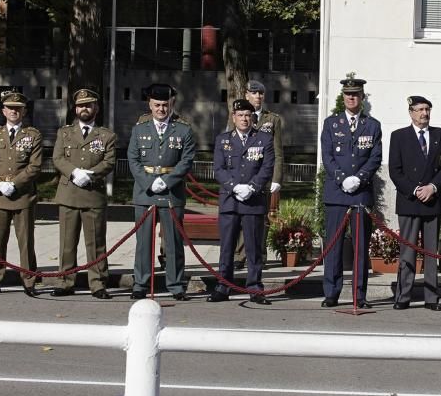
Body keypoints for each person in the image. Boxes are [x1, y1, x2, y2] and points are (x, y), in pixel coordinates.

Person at [127, 83, 196, 300]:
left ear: (171, 104)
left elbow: (186, 161)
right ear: (150, 104)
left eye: (165, 105)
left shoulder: (184, 130)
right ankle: (141, 282)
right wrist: (149, 182)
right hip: (145, 191)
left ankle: (175, 284)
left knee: (174, 242)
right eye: (157, 105)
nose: (161, 109)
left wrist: (166, 181)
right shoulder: (139, 129)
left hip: (171, 192)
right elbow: (133, 159)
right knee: (143, 241)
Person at [319, 76, 383, 308]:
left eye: (355, 94)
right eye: (348, 94)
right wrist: (342, 178)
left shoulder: (372, 125)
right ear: (343, 97)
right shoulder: (331, 124)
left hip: (360, 193)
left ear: (362, 97)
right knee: (333, 246)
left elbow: (375, 157)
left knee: (360, 247)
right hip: (337, 192)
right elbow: (327, 156)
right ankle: (331, 292)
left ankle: (359, 294)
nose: (351, 97)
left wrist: (359, 178)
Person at [387, 95, 441, 311]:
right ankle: (403, 296)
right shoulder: (399, 137)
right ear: (411, 112)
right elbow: (395, 171)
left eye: (427, 109)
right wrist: (415, 189)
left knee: (431, 252)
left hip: (432, 201)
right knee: (408, 251)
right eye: (420, 110)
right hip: (409, 201)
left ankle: (431, 298)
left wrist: (432, 187)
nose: (424, 113)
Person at [208, 99, 275, 304]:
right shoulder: (223, 140)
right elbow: (218, 168)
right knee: (227, 246)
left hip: (253, 201)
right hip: (230, 200)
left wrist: (252, 187)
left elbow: (267, 167)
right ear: (233, 117)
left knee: (253, 248)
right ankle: (223, 286)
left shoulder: (264, 139)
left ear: (252, 117)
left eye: (248, 115)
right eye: (240, 115)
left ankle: (255, 287)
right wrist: (234, 186)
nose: (244, 119)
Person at [51, 89, 116, 299]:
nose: (84, 109)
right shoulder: (64, 133)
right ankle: (65, 281)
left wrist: (91, 175)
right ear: (75, 109)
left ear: (96, 108)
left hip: (92, 194)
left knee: (96, 242)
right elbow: (58, 158)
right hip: (69, 193)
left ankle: (97, 283)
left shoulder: (106, 135)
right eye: (80, 105)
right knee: (67, 242)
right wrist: (74, 172)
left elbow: (109, 161)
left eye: (88, 105)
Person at [0, 91, 41, 296]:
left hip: (23, 196)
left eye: (18, 108)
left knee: (26, 242)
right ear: (3, 111)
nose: (14, 111)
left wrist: (15, 184)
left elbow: (34, 166)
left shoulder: (33, 135)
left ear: (23, 111)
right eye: (10, 108)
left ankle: (29, 280)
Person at [233, 80, 284, 269]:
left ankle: (260, 256)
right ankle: (240, 256)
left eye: (261, 93)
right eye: (254, 93)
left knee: (262, 217)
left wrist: (277, 178)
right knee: (240, 215)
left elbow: (278, 151)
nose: (258, 96)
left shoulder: (272, 120)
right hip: (244, 175)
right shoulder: (238, 115)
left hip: (264, 176)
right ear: (246, 95)